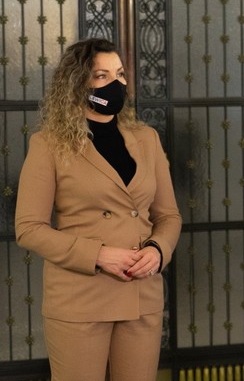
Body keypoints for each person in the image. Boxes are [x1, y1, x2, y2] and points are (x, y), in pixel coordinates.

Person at [15, 38, 182, 381]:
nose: (115, 84)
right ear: (77, 83)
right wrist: (99, 255)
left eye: (119, 74)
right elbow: (29, 228)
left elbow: (168, 216)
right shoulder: (48, 144)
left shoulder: (147, 139)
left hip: (140, 294)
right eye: (101, 76)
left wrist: (157, 250)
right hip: (80, 299)